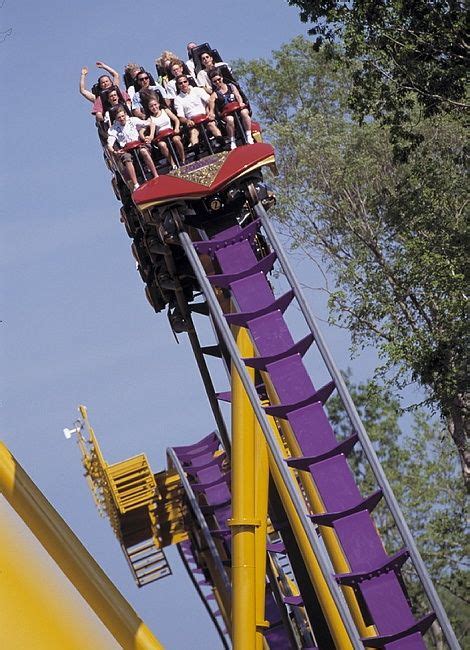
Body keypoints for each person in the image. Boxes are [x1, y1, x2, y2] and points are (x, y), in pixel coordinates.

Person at [107, 106, 158, 190]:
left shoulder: (132, 120)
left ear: (125, 115)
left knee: (144, 151)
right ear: (116, 118)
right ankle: (136, 184)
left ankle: (156, 175)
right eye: (119, 117)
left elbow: (150, 123)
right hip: (126, 149)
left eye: (123, 116)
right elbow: (110, 144)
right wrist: (114, 151)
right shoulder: (113, 129)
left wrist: (150, 136)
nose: (122, 119)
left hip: (138, 145)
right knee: (126, 158)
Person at [173, 75, 223, 153]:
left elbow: (210, 101)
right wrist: (187, 121)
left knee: (212, 125)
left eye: (185, 82)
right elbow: (180, 116)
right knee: (193, 132)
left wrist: (211, 111)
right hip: (192, 121)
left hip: (205, 117)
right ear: (178, 86)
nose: (183, 84)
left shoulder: (197, 90)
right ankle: (197, 152)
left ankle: (221, 143)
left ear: (188, 82)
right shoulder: (177, 99)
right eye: (180, 83)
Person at [208, 69, 254, 149]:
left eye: (219, 80)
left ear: (222, 78)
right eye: (215, 81)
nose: (218, 82)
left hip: (238, 108)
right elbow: (211, 104)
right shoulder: (215, 94)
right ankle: (232, 140)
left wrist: (240, 103)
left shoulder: (231, 86)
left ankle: (248, 135)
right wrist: (211, 113)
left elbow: (238, 96)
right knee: (230, 119)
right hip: (227, 113)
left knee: (244, 113)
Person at [143, 94, 186, 167]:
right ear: (149, 108)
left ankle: (183, 159)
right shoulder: (150, 119)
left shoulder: (165, 111)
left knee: (176, 139)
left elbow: (176, 120)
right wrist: (146, 137)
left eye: (155, 105)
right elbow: (143, 128)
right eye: (151, 106)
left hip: (171, 132)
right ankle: (173, 164)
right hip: (161, 137)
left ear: (158, 104)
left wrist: (176, 128)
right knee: (162, 145)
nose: (154, 107)